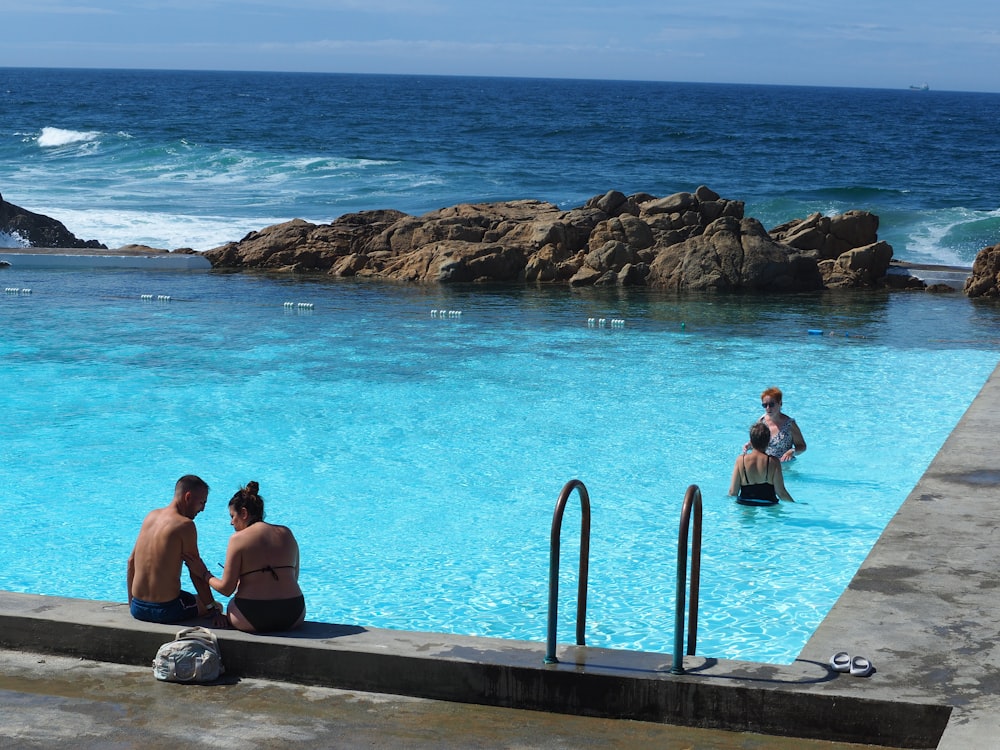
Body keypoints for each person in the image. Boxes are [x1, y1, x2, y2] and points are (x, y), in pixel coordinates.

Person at [186, 481, 305, 633]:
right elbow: (293, 577)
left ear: (243, 513)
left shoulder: (238, 539)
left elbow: (226, 589)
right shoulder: (287, 533)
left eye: (232, 516)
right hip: (294, 614)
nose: (231, 523)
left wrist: (204, 574)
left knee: (230, 605)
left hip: (252, 616)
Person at [127, 474, 226, 625]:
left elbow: (131, 561)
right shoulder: (185, 525)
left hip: (137, 607)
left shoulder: (151, 516)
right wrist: (213, 610)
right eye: (201, 502)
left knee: (192, 598)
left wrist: (132, 605)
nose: (203, 509)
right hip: (166, 610)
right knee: (217, 605)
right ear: (188, 497)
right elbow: (195, 571)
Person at [730, 422, 795, 505]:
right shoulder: (773, 462)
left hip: (745, 503)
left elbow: (733, 492)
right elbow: (781, 492)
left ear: (751, 441)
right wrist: (796, 504)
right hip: (769, 504)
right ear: (768, 441)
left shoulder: (741, 460)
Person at [742, 386, 807, 462]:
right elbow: (757, 442)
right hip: (765, 464)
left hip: (784, 466)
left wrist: (791, 452)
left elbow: (802, 446)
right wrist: (749, 445)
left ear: (780, 404)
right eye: (765, 405)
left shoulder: (790, 424)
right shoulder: (762, 421)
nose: (768, 408)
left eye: (771, 404)